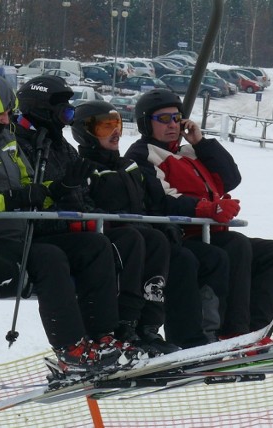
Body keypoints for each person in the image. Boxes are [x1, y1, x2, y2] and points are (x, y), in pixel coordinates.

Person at [0, 74, 131, 375]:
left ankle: (103, 337)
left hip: (19, 239)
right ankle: (70, 349)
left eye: (9, 113)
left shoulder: (6, 143)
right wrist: (10, 199)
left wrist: (58, 189)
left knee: (95, 246)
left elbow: (29, 189)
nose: (6, 119)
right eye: (0, 114)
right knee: (48, 257)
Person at [12, 76, 167, 356]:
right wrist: (69, 199)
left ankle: (140, 327)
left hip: (75, 226)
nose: (66, 117)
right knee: (124, 239)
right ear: (43, 110)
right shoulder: (23, 146)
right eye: (64, 111)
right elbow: (32, 193)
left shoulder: (60, 147)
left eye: (70, 111)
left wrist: (88, 212)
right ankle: (111, 330)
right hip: (47, 231)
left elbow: (82, 194)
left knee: (152, 238)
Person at [125, 88, 273, 342]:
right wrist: (205, 208)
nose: (172, 124)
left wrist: (201, 143)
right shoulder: (143, 154)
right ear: (145, 123)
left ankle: (257, 331)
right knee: (234, 246)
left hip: (209, 233)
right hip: (180, 235)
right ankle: (232, 331)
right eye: (163, 119)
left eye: (176, 118)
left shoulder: (190, 152)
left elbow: (230, 178)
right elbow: (159, 198)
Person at [70, 100, 181, 355]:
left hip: (135, 235)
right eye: (105, 127)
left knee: (155, 238)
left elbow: (147, 205)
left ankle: (148, 327)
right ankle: (124, 325)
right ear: (86, 132)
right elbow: (82, 205)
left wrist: (163, 225)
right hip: (108, 237)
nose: (115, 132)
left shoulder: (127, 167)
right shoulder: (84, 168)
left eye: (117, 124)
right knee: (135, 237)